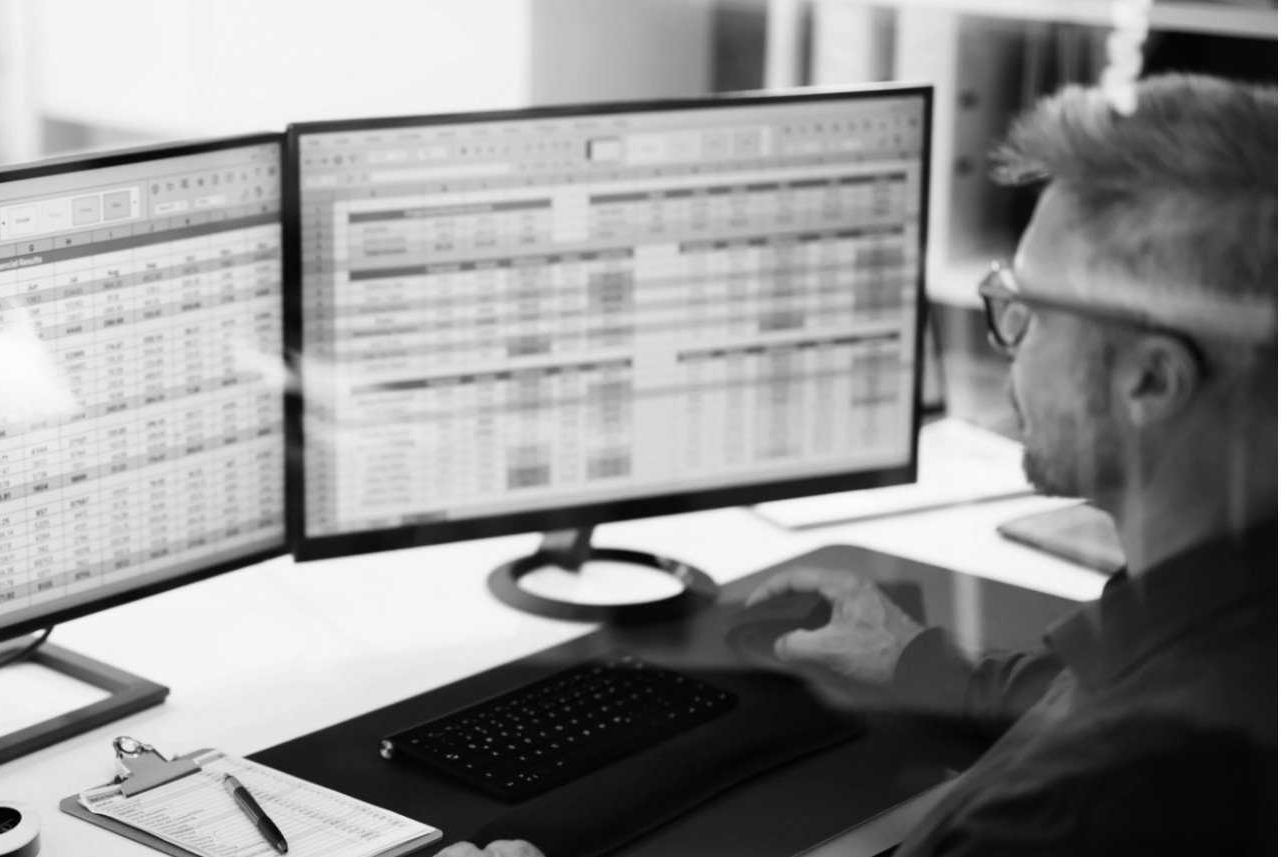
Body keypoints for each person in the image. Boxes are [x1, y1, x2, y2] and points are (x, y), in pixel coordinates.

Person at [438, 73, 1276, 857]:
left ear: (1151, 379)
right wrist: (925, 665)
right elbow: (1084, 685)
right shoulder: (1216, 603)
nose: (1007, 346)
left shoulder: (1080, 805)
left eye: (1025, 310)